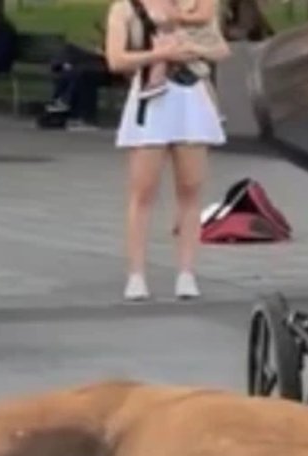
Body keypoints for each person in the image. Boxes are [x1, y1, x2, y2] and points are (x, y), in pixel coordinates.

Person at [105, 0, 227, 301]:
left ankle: (186, 272)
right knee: (143, 191)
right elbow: (116, 59)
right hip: (151, 97)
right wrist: (160, 54)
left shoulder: (196, 7)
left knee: (190, 188)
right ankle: (136, 274)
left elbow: (221, 49)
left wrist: (193, 50)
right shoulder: (125, 8)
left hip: (191, 97)